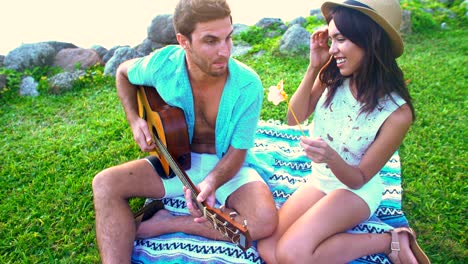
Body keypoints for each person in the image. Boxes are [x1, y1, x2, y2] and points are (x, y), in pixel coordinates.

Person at [92, 0, 277, 262]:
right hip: (175, 161)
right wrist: (135, 120)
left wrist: (211, 182)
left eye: (228, 38)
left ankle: (170, 222)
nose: (224, 51)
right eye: (211, 41)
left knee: (264, 221)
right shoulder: (163, 65)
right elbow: (122, 74)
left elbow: (238, 151)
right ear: (184, 41)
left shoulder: (248, 85)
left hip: (226, 165)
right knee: (104, 184)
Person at [257, 1, 431, 264]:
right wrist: (314, 66)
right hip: (320, 181)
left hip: (355, 191)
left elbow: (358, 178)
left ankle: (390, 241)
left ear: (369, 40)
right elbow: (294, 119)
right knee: (268, 249)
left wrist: (331, 157)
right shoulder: (332, 75)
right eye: (331, 38)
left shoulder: (396, 113)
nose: (333, 49)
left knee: (291, 254)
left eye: (341, 39)